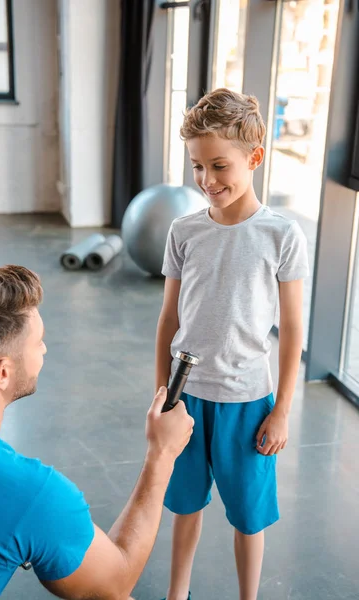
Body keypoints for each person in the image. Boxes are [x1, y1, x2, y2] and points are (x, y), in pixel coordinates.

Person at [155, 88, 309, 600]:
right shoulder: (184, 230)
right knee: (184, 507)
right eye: (198, 167)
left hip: (248, 401)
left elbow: (291, 333)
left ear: (256, 157)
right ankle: (178, 594)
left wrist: (282, 410)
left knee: (249, 516)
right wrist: (163, 394)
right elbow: (168, 319)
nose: (206, 180)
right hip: (186, 399)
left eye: (219, 165)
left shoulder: (281, 236)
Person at [0, 265, 194, 600]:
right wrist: (162, 453)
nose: (43, 349)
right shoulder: (28, 492)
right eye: (37, 342)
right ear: (3, 374)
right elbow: (115, 583)